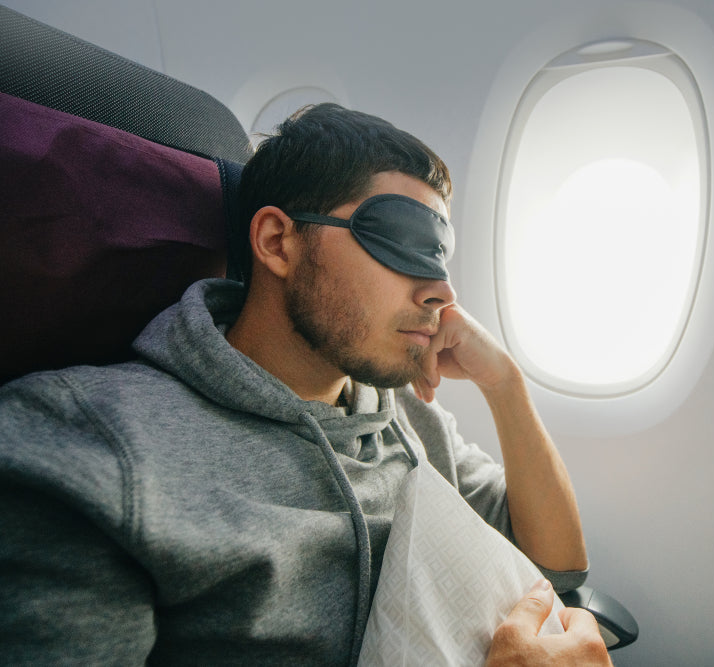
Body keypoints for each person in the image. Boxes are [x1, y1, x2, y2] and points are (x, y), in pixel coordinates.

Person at [0, 103, 611, 666]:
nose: (442, 291)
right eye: (399, 243)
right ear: (276, 242)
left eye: (441, 257)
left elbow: (555, 564)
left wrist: (505, 383)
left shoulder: (402, 414)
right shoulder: (86, 446)